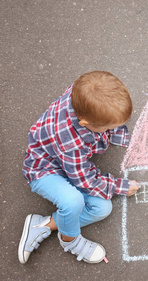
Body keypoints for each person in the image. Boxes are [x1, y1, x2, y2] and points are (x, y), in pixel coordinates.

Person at [18, 71, 140, 264]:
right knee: (73, 201)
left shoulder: (81, 95)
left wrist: (109, 125)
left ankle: (43, 224)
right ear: (85, 123)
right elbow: (84, 179)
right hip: (44, 171)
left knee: (102, 208)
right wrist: (120, 187)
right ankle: (69, 239)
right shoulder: (70, 143)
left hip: (69, 164)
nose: (111, 130)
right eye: (108, 128)